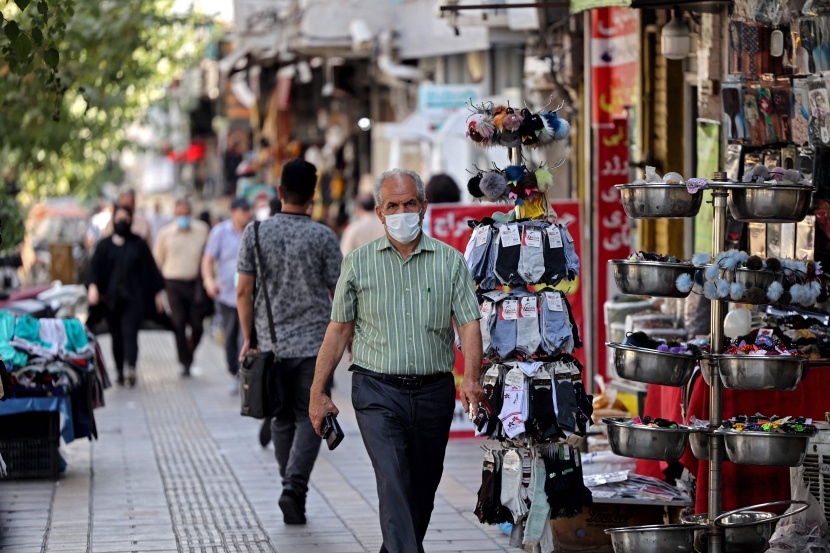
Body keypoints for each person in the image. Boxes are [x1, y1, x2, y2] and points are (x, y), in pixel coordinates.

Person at [309, 168, 486, 553]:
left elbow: (470, 325)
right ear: (379, 212)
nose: (401, 211)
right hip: (376, 393)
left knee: (421, 491)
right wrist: (318, 391)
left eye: (409, 204)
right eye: (393, 205)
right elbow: (338, 330)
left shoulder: (450, 262)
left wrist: (471, 378)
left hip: (434, 393)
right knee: (392, 480)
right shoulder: (357, 263)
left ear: (423, 207)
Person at [236, 159, 342, 525]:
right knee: (311, 417)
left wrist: (249, 338)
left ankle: (290, 486)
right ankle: (294, 488)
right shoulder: (324, 237)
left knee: (282, 418)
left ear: (279, 193)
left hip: (271, 346)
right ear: (312, 197)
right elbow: (340, 295)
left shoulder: (255, 233)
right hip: (316, 347)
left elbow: (242, 291)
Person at [86, 206, 165, 387]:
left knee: (130, 333)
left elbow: (151, 271)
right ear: (113, 220)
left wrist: (158, 294)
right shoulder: (104, 245)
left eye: (126, 218)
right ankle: (120, 371)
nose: (122, 222)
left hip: (134, 299)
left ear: (131, 220)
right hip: (111, 300)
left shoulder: (138, 244)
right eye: (119, 218)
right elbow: (94, 270)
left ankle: (131, 368)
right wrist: (93, 287)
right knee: (116, 335)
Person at [154, 198, 210, 377]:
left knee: (197, 325)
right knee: (178, 324)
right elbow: (158, 261)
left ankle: (189, 352)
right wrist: (158, 290)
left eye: (186, 214)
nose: (183, 217)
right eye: (179, 214)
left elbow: (209, 257)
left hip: (195, 284)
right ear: (174, 214)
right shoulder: (165, 233)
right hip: (173, 283)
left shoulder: (202, 230)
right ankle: (184, 361)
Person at [202, 198, 252, 393]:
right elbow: (207, 259)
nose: (246, 214)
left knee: (246, 336)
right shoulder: (220, 232)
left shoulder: (254, 231)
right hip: (227, 295)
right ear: (232, 212)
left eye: (248, 210)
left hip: (250, 296)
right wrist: (209, 282)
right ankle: (233, 372)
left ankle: (245, 374)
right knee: (230, 336)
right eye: (242, 210)